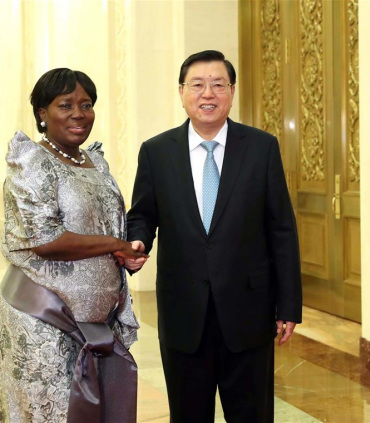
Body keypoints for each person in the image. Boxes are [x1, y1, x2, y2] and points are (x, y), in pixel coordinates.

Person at [125, 50, 302, 423]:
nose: (208, 94)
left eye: (218, 85)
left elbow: (281, 229)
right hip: (183, 311)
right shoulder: (157, 152)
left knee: (252, 413)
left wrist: (288, 305)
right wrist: (138, 241)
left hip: (248, 312)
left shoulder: (261, 148)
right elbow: (143, 213)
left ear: (232, 92)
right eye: (198, 85)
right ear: (182, 92)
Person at [0, 68, 147, 422]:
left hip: (95, 322)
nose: (79, 113)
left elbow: (104, 220)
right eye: (65, 104)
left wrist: (125, 253)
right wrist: (114, 244)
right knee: (54, 412)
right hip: (42, 318)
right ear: (42, 114)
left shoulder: (94, 161)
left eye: (86, 104)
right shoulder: (32, 162)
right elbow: (45, 239)